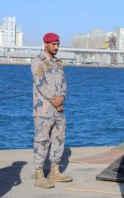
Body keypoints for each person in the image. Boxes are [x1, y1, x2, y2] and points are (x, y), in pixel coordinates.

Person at [31, 32, 72, 189]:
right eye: (53, 44)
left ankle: (55, 170)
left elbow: (64, 82)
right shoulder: (38, 62)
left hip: (59, 109)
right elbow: (40, 84)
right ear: (45, 44)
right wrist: (55, 100)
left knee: (58, 138)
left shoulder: (58, 63)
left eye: (58, 44)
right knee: (41, 140)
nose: (56, 47)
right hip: (44, 109)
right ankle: (39, 174)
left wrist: (62, 97)